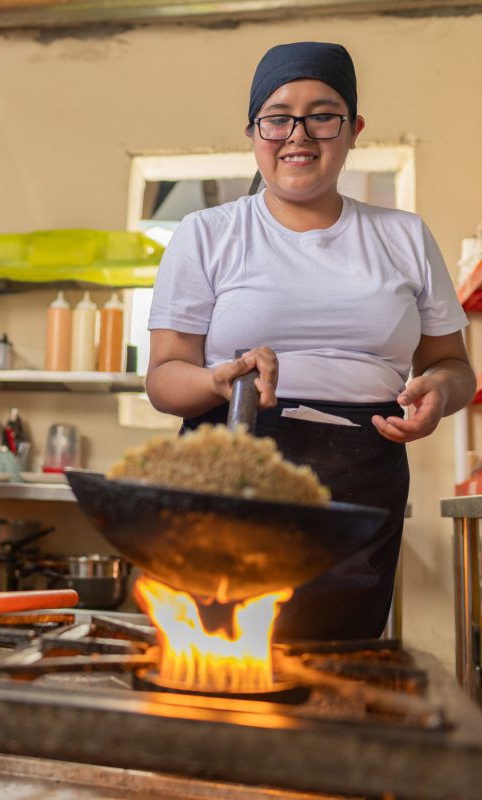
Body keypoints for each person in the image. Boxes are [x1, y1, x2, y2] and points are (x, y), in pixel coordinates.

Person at [145, 42, 475, 640]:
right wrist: (216, 379)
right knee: (220, 659)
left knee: (337, 664)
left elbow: (453, 365)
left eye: (323, 114)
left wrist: (439, 394)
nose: (298, 134)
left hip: (361, 472)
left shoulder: (402, 235)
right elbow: (165, 378)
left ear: (353, 130)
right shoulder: (207, 234)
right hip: (231, 466)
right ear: (253, 131)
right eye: (278, 116)